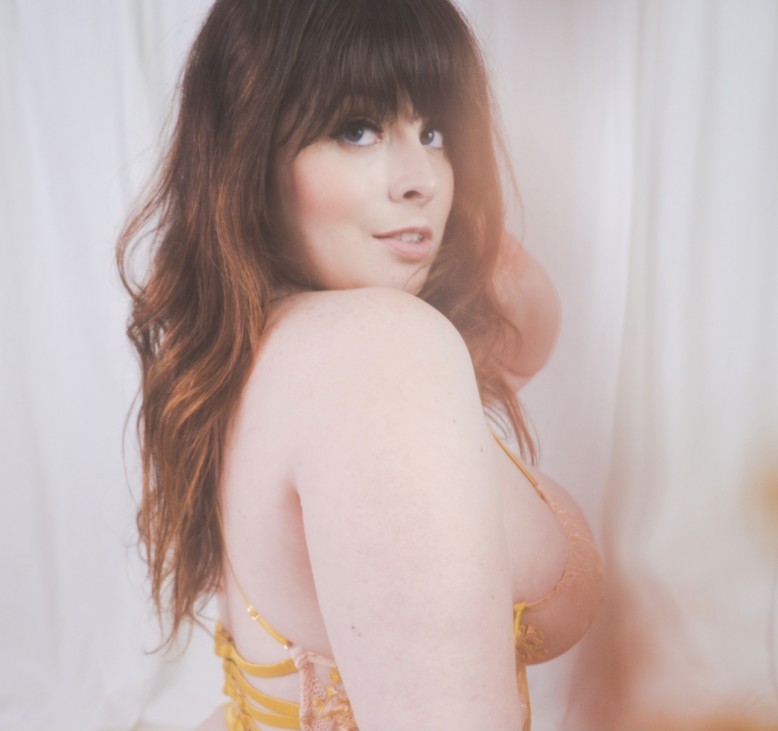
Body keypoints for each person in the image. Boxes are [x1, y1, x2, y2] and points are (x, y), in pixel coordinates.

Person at [117, 1, 602, 729]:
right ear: (249, 154)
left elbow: (529, 321)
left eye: (434, 131)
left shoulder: (254, 348)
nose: (422, 178)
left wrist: (438, 226)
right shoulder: (376, 355)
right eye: (357, 129)